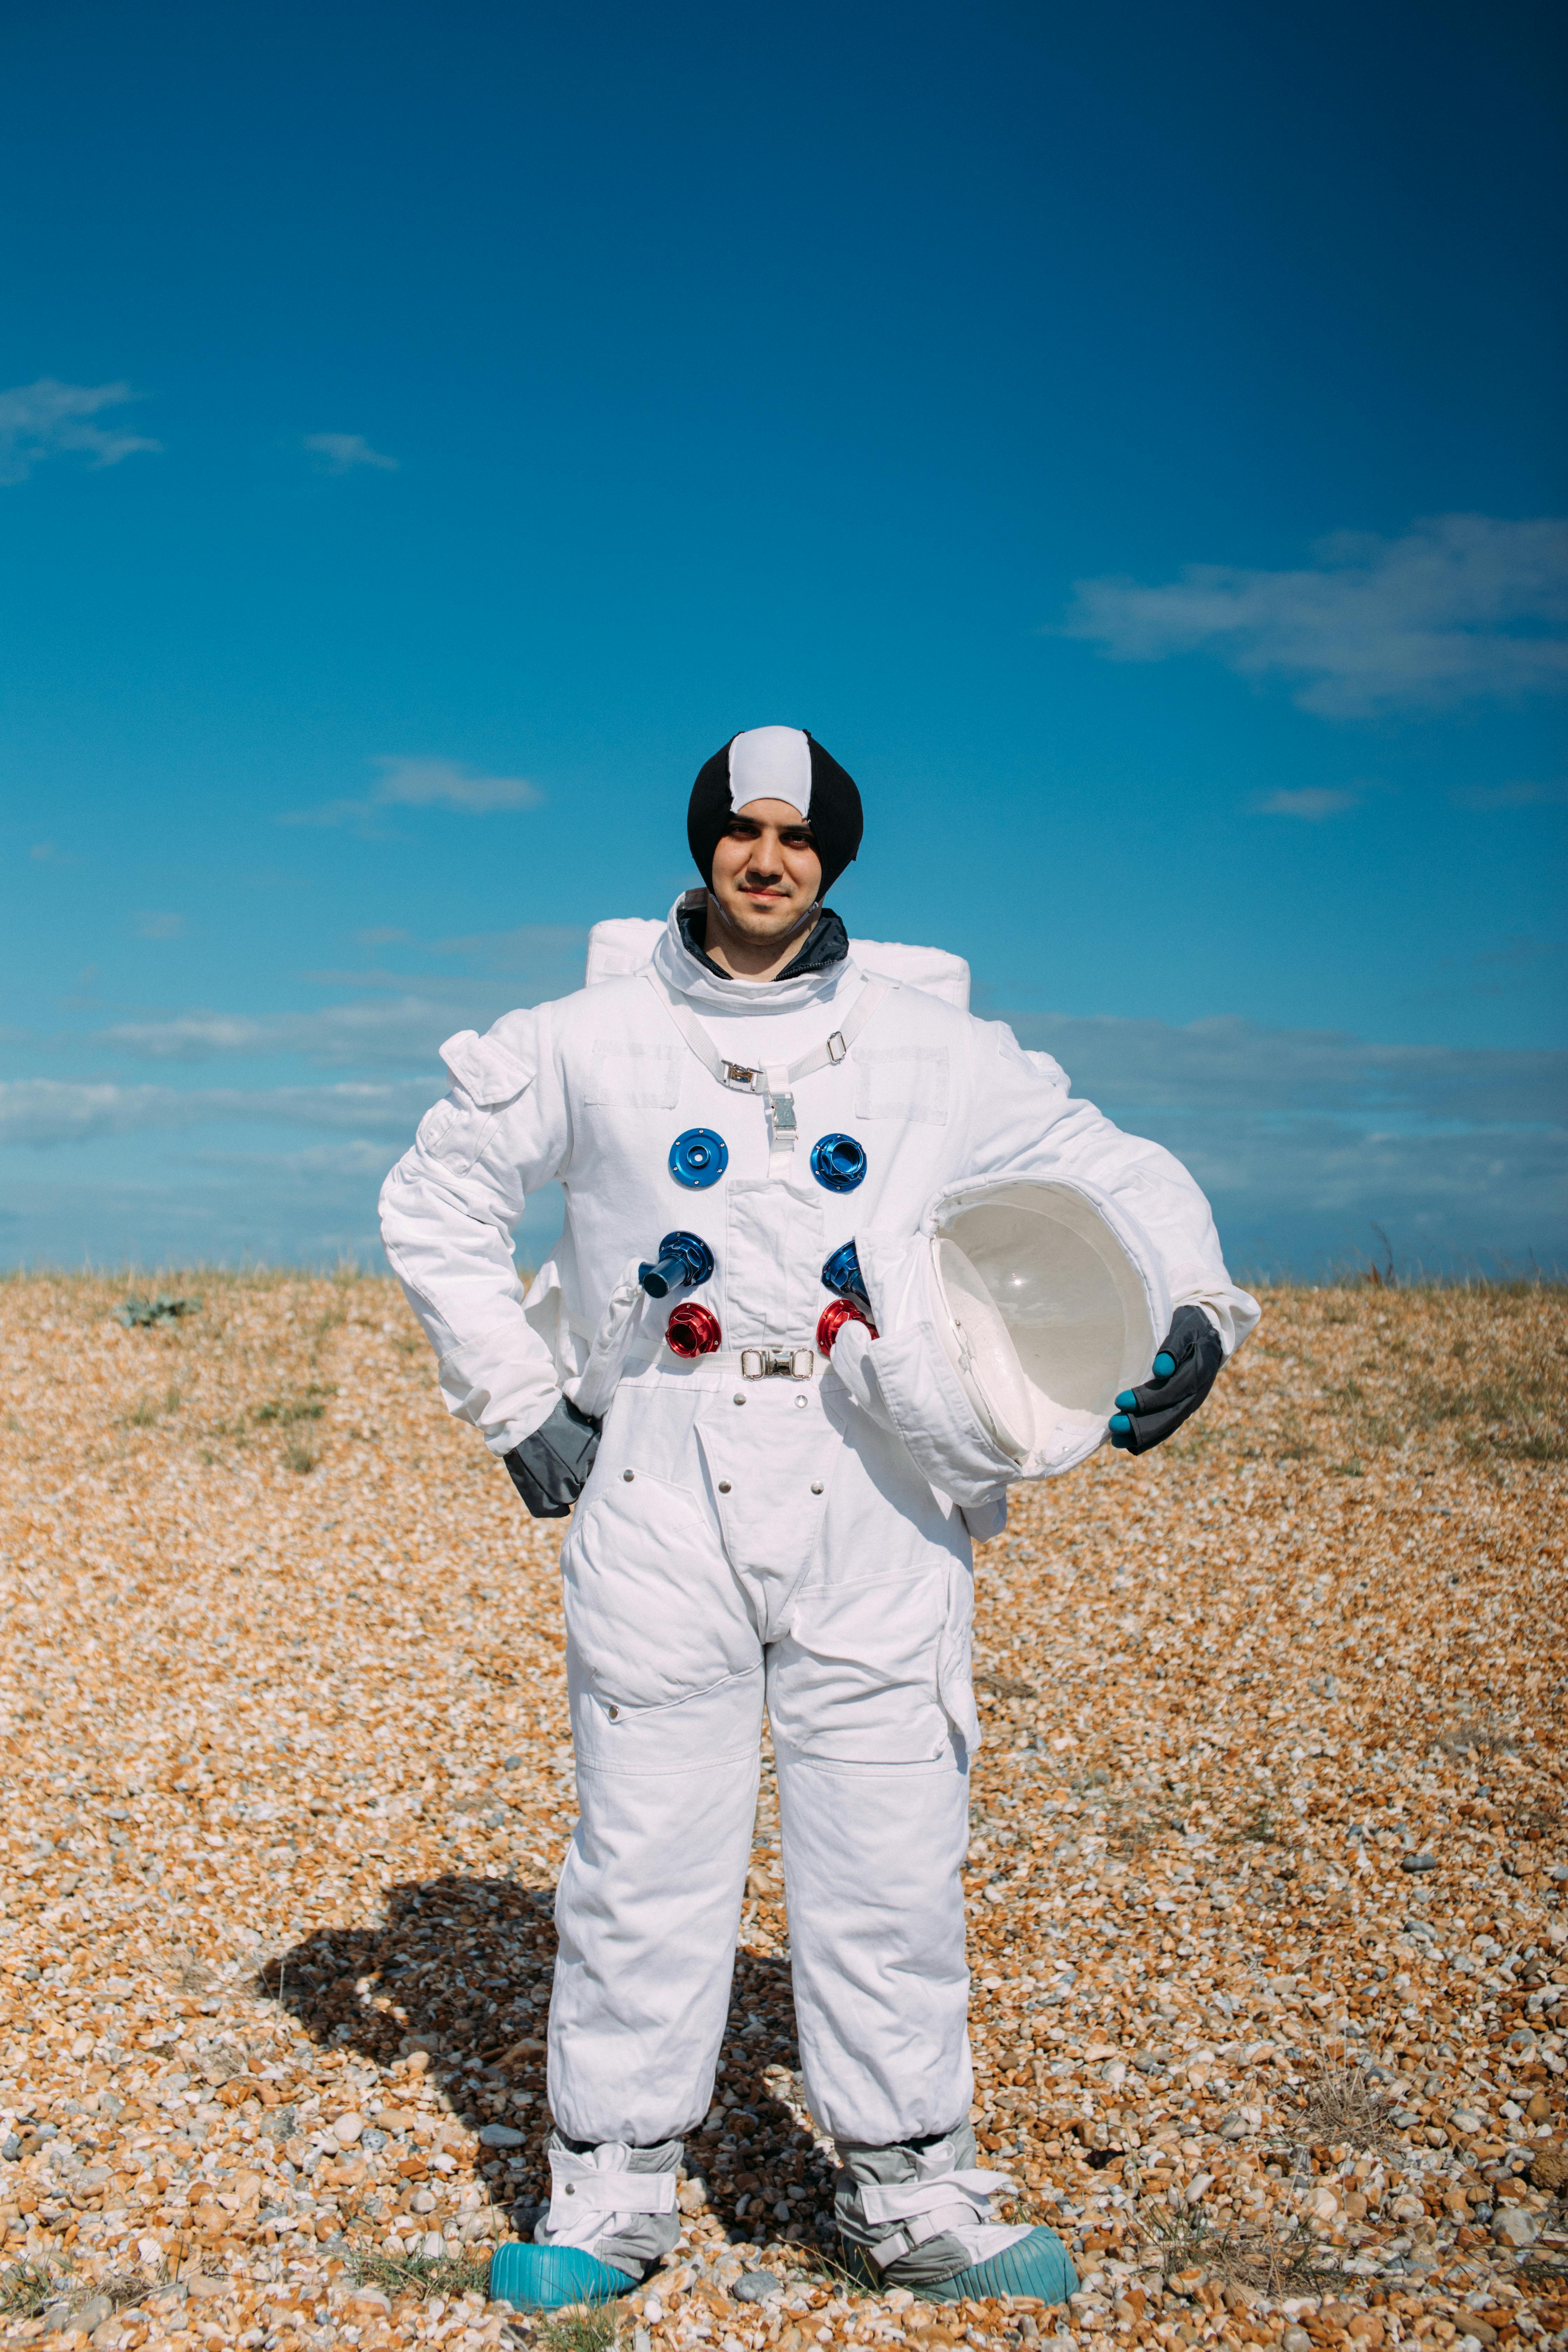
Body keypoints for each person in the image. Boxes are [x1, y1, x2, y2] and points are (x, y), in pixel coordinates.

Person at [379, 726, 1259, 2310]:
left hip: (875, 1469)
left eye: (797, 837)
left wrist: (1197, 1304)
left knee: (890, 1845)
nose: (766, 859)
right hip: (660, 1468)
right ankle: (609, 2190)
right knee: (645, 1845)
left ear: (834, 859)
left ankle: (911, 2187)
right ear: (704, 843)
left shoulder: (937, 1052)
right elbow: (437, 1194)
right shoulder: (585, 1036)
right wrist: (518, 1404)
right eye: (741, 831)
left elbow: (1111, 1168)